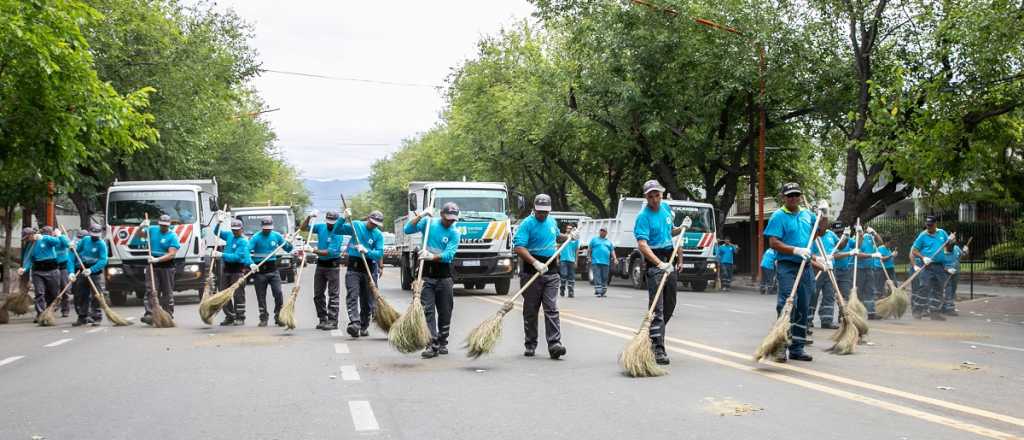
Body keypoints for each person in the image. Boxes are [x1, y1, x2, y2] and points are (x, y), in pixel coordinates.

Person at [763, 182, 817, 362]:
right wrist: (795, 250)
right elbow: (773, 242)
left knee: (803, 305)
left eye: (796, 195)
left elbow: (819, 232)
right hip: (787, 265)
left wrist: (823, 216)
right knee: (787, 304)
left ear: (800, 196)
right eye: (790, 195)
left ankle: (797, 348)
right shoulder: (778, 216)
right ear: (784, 197)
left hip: (806, 266)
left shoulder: (807, 214)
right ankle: (780, 346)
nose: (793, 198)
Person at [513, 194, 571, 359]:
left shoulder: (552, 222)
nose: (543, 215)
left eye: (545, 212)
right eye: (540, 212)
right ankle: (530, 343)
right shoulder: (527, 224)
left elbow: (556, 236)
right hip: (532, 272)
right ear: (534, 208)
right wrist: (534, 262)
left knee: (551, 308)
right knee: (531, 310)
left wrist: (568, 237)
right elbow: (519, 247)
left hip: (551, 272)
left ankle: (554, 344)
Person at [634, 180, 686, 366]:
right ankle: (658, 348)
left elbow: (670, 232)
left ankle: (652, 335)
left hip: (668, 259)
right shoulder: (643, 217)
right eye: (651, 196)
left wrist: (681, 228)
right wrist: (659, 263)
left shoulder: (665, 208)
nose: (655, 199)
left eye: (657, 195)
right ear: (646, 197)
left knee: (670, 303)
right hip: (654, 262)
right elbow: (642, 244)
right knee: (658, 307)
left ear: (661, 194)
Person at [405, 202, 461, 358]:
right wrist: (422, 215)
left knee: (445, 311)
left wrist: (432, 255)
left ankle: (442, 341)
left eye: (453, 219)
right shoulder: (429, 223)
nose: (450, 221)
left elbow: (449, 255)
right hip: (426, 275)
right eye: (448, 218)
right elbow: (408, 229)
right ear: (441, 214)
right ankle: (432, 343)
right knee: (427, 310)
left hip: (444, 276)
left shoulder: (454, 233)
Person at [338, 210, 385, 336]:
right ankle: (355, 323)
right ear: (368, 219)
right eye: (372, 222)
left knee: (367, 301)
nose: (373, 225)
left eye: (376, 224)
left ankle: (364, 325)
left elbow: (379, 253)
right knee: (352, 295)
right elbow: (337, 230)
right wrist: (343, 218)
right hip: (353, 268)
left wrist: (367, 251)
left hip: (369, 269)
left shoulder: (378, 235)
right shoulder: (356, 225)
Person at [131, 214, 182, 324]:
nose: (163, 227)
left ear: (169, 225)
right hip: (152, 264)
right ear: (159, 224)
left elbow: (172, 254)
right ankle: (150, 313)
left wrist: (157, 260)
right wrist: (141, 227)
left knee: (167, 291)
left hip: (166, 265)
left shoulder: (172, 236)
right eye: (162, 225)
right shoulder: (152, 230)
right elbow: (138, 237)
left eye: (166, 226)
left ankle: (167, 314)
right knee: (151, 289)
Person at [302, 210, 347, 330]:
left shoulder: (338, 233)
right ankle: (323, 318)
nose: (330, 224)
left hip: (332, 265)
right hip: (320, 265)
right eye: (328, 222)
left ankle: (333, 321)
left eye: (332, 222)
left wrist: (313, 251)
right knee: (318, 294)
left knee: (333, 294)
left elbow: (329, 252)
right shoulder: (321, 227)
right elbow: (303, 228)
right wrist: (309, 217)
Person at [19, 228, 73, 322]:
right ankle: (40, 314)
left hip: (52, 270)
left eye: (27, 238)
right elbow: (28, 259)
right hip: (38, 272)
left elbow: (56, 241)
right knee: (39, 293)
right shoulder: (30, 245)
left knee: (53, 293)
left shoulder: (45, 238)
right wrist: (24, 268)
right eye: (25, 239)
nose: (27, 240)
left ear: (32, 235)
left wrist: (44, 237)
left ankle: (49, 312)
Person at [247, 216, 293, 327]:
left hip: (273, 270)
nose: (267, 230)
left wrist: (288, 242)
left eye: (269, 228)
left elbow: (288, 249)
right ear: (262, 227)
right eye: (265, 228)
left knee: (278, 293)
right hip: (260, 270)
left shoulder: (276, 236)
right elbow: (246, 252)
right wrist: (251, 263)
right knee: (261, 296)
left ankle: (278, 316)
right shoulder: (256, 238)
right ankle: (263, 318)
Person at [212, 217, 253, 326]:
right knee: (224, 293)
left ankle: (240, 316)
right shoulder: (229, 235)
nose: (235, 232)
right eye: (233, 229)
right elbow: (216, 232)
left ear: (242, 229)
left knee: (238, 294)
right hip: (226, 269)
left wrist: (222, 255)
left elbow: (237, 257)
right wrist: (218, 222)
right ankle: (230, 316)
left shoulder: (243, 241)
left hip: (237, 270)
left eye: (237, 230)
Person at [911, 215, 951, 320]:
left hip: (940, 266)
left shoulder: (942, 233)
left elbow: (948, 246)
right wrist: (923, 257)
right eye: (927, 225)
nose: (929, 227)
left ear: (935, 224)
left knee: (939, 288)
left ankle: (934, 312)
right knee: (924, 287)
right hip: (928, 266)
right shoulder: (923, 235)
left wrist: (951, 240)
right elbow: (914, 250)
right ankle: (917, 310)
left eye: (931, 225)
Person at [70, 224, 107, 326]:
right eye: (93, 234)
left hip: (94, 272)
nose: (94, 236)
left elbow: (103, 260)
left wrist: (92, 269)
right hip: (83, 269)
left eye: (97, 235)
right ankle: (83, 317)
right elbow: (77, 251)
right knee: (81, 294)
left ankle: (97, 317)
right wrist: (73, 247)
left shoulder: (101, 244)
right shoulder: (85, 240)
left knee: (96, 295)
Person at [810, 219, 839, 329]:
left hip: (830, 268)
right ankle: (808, 319)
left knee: (829, 294)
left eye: (825, 222)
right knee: (813, 293)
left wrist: (845, 236)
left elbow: (839, 246)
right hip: (817, 268)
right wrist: (818, 259)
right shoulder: (813, 236)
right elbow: (809, 253)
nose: (824, 224)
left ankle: (827, 320)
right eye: (822, 222)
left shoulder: (831, 234)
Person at [856, 225, 881, 319]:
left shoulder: (869, 237)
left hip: (869, 268)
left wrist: (874, 233)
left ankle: (871, 312)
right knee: (860, 291)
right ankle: (858, 312)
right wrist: (872, 255)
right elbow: (858, 254)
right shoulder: (857, 240)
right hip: (860, 269)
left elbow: (880, 242)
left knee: (870, 291)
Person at [50, 226, 73, 317]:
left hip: (63, 267)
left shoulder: (62, 239)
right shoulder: (50, 241)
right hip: (53, 267)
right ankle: (53, 306)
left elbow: (68, 244)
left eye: (55, 232)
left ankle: (65, 309)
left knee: (65, 288)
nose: (54, 233)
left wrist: (60, 236)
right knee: (53, 289)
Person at [588, 228, 616, 298]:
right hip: (596, 261)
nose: (602, 232)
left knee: (605, 277)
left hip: (606, 262)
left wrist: (615, 258)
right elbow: (589, 249)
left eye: (604, 231)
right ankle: (598, 291)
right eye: (601, 231)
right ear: (599, 232)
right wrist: (589, 257)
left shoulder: (609, 242)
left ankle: (603, 291)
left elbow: (612, 251)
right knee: (597, 276)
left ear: (606, 233)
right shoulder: (594, 240)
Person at [941, 238, 964, 316]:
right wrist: (947, 269)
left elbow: (961, 255)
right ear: (946, 245)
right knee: (948, 289)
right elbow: (939, 264)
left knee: (953, 289)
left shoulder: (956, 248)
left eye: (952, 246)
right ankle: (949, 308)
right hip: (945, 273)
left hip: (956, 272)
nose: (951, 248)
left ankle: (944, 306)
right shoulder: (941, 252)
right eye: (949, 246)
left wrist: (965, 251)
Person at [558, 225, 579, 298]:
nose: (569, 229)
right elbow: (558, 248)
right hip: (563, 259)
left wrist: (576, 261)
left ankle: (571, 291)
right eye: (568, 228)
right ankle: (562, 289)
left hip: (571, 260)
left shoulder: (575, 239)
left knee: (571, 276)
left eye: (571, 228)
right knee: (563, 275)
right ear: (566, 229)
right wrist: (557, 259)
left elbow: (576, 251)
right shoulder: (563, 238)